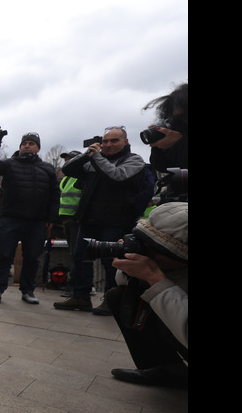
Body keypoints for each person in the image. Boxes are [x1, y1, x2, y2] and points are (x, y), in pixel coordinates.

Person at [54, 127, 146, 314]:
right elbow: (69, 168)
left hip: (115, 220)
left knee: (110, 262)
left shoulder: (133, 160)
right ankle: (81, 297)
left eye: (114, 141)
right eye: (105, 141)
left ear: (125, 142)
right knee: (81, 258)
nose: (108, 145)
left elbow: (117, 176)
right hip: (88, 219)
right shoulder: (95, 159)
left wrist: (96, 157)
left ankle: (111, 300)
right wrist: (88, 153)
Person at [107, 202, 188, 388]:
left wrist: (157, 280)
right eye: (145, 244)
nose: (148, 253)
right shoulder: (175, 265)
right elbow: (124, 286)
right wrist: (131, 268)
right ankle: (168, 370)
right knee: (118, 296)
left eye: (157, 249)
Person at [0, 128, 60, 304]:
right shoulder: (10, 164)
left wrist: (51, 218)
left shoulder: (47, 168)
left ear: (38, 148)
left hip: (37, 221)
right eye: (24, 144)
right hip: (11, 219)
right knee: (4, 255)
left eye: (31, 144)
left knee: (32, 257)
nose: (27, 146)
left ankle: (28, 290)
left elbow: (55, 195)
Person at [57, 150, 83, 296]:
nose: (66, 162)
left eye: (70, 159)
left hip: (77, 220)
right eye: (65, 160)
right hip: (66, 220)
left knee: (77, 254)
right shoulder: (66, 179)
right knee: (73, 253)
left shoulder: (81, 177)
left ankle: (75, 286)